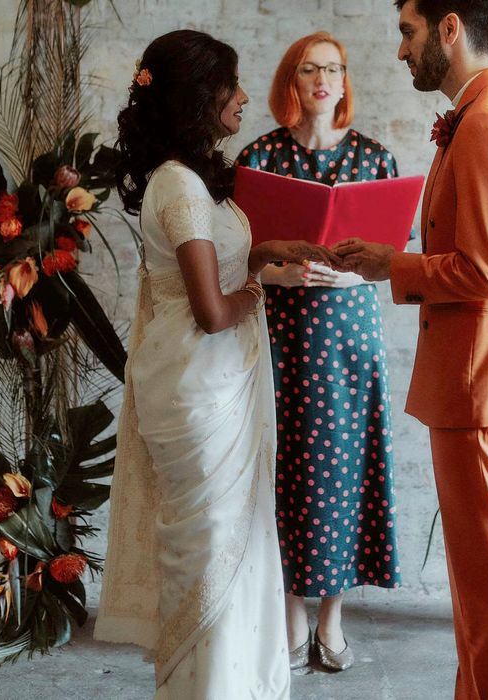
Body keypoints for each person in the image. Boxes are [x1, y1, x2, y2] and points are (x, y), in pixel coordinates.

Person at [93, 30, 334, 699]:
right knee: (211, 550)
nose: (245, 97)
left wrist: (260, 254)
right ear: (201, 96)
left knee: (235, 544)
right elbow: (211, 311)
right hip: (200, 390)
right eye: (231, 85)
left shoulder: (192, 180)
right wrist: (262, 287)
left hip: (206, 379)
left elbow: (209, 273)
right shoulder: (180, 188)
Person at [333, 2, 488, 698]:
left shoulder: (486, 124)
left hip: (477, 379)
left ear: (450, 28)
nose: (401, 51)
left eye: (408, 31)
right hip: (479, 375)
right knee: (481, 578)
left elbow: (483, 274)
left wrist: (387, 265)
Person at [236, 31, 403, 673]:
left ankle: (331, 618)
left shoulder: (374, 158)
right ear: (292, 81)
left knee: (344, 476)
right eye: (310, 68)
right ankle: (292, 617)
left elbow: (392, 257)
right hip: (284, 336)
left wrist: (354, 275)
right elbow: (239, 258)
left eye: (333, 68)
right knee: (285, 474)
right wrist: (278, 275)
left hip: (351, 339)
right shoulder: (259, 158)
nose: (323, 78)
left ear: (344, 80)